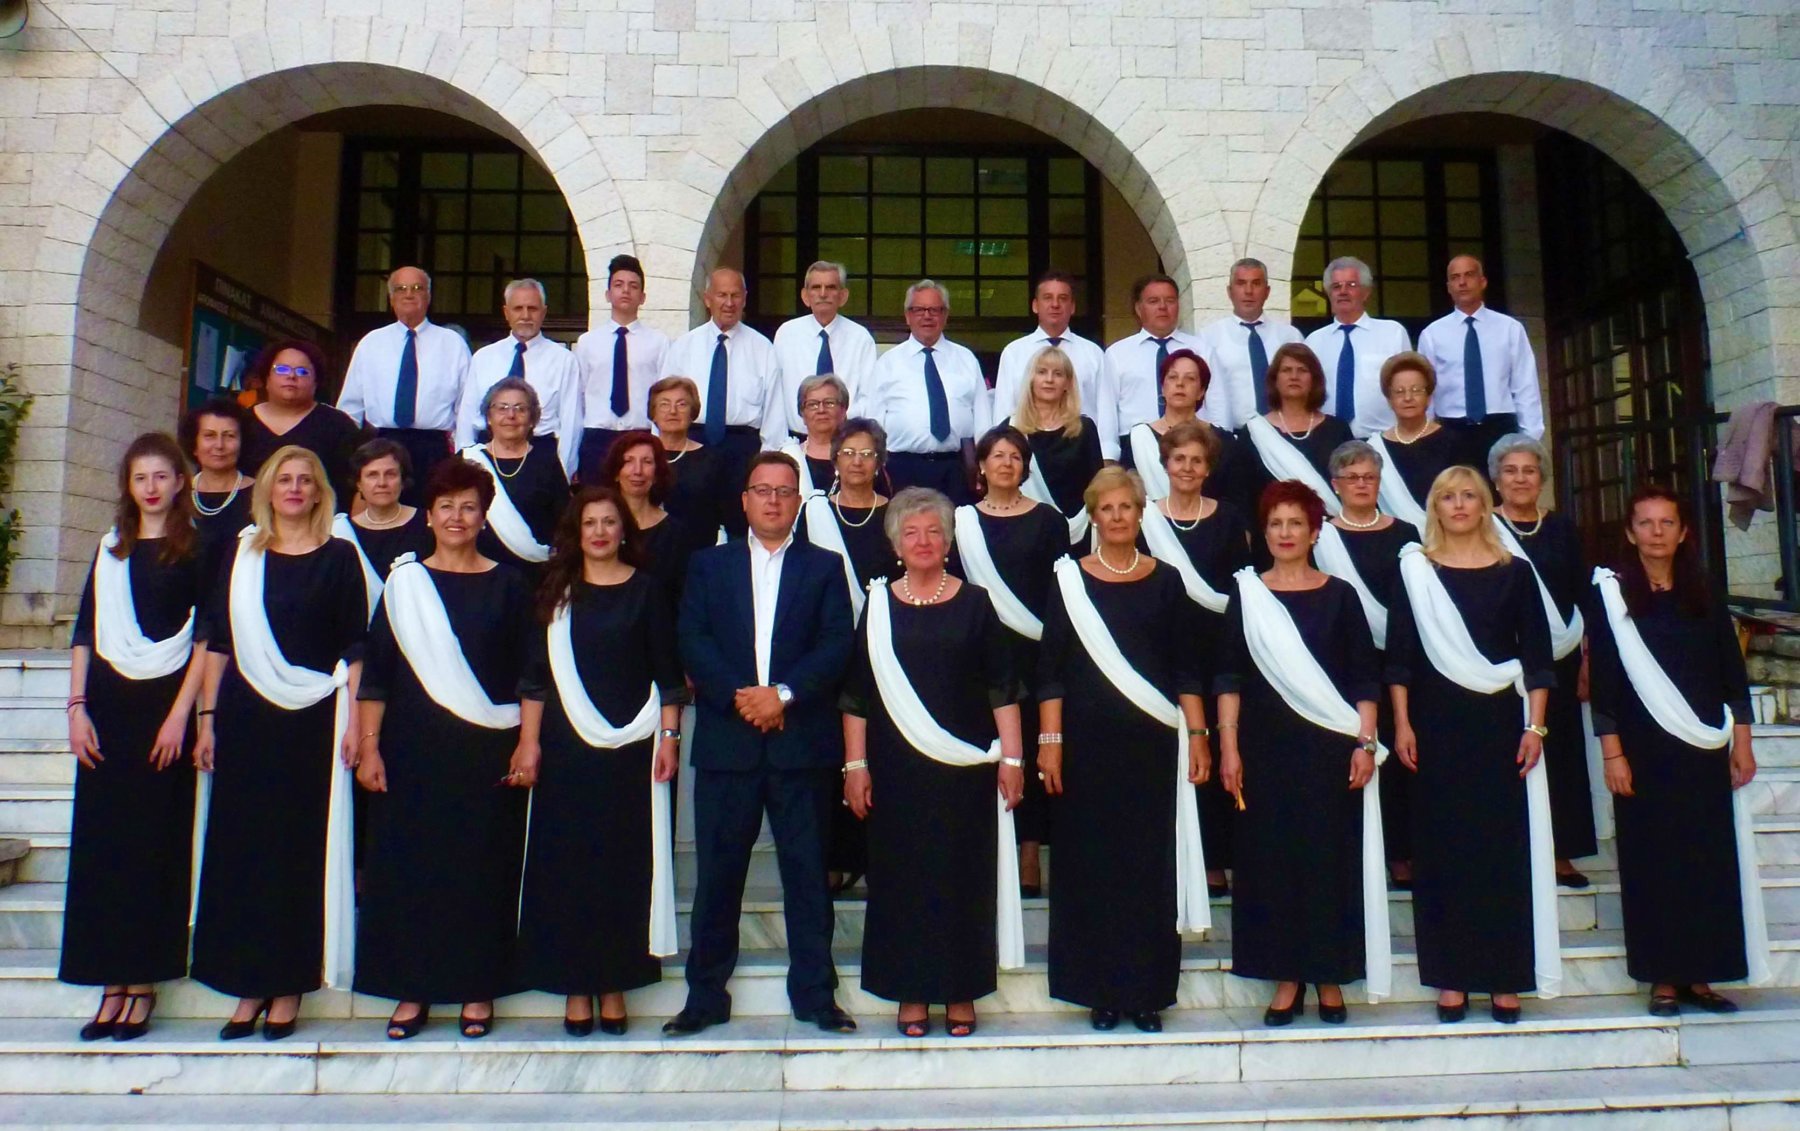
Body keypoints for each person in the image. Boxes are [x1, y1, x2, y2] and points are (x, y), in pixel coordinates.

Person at [666, 452, 858, 1036]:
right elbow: (692, 637)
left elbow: (836, 643)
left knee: (808, 876)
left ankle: (815, 996)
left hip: (801, 744)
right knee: (717, 878)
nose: (773, 500)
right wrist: (742, 699)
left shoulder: (824, 567)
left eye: (784, 491)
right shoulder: (709, 565)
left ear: (798, 501)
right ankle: (704, 997)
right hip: (729, 744)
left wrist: (784, 695)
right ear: (745, 500)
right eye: (762, 490)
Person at [353, 458, 535, 1041]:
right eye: (446, 507)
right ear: (429, 517)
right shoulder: (405, 585)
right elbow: (377, 674)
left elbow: (532, 676)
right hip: (413, 750)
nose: (458, 517)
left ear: (484, 517)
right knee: (413, 870)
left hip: (488, 751)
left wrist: (529, 744)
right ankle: (412, 989)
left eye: (469, 507)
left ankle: (478, 989)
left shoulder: (511, 584)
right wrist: (370, 747)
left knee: (480, 870)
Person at [191, 445, 367, 1042]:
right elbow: (219, 641)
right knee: (245, 851)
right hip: (246, 719)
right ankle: (247, 985)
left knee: (297, 851)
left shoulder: (340, 556)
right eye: (283, 479)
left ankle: (288, 986)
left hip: (312, 722)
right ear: (266, 490)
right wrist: (207, 719)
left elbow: (356, 645)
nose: (293, 488)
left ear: (319, 493)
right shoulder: (241, 554)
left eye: (304, 480)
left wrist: (355, 724)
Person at [842, 487, 1026, 1038]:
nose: (923, 541)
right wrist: (855, 766)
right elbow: (856, 695)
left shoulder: (976, 602)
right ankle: (912, 990)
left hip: (965, 768)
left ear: (948, 542)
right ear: (895, 544)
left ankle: (961, 990)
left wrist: (1013, 758)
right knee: (903, 880)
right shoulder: (878, 604)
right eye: (911, 532)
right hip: (896, 770)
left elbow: (1002, 687)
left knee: (963, 877)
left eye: (933, 532)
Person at [1039, 467, 1211, 1033]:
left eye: (1126, 507)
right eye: (1107, 508)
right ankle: (1099, 992)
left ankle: (1145, 993)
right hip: (1085, 747)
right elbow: (1051, 671)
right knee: (1090, 865)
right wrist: (1050, 742)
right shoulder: (1069, 579)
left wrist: (1199, 736)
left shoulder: (1166, 580)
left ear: (1141, 514)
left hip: (1153, 747)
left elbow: (1187, 667)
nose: (1117, 517)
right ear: (1093, 516)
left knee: (1147, 868)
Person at [1588, 485, 1768, 1017]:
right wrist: (1613, 753)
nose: (1657, 532)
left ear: (1683, 531)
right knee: (1653, 862)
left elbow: (1731, 673)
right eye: (1646, 523)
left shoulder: (1704, 593)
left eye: (1667, 522)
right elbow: (1605, 682)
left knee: (1706, 861)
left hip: (1703, 747)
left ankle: (1702, 975)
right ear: (1630, 533)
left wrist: (1742, 742)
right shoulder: (1613, 596)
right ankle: (1663, 977)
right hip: (1643, 752)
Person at [1387, 466, 1557, 1025]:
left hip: (1501, 727)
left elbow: (1537, 658)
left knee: (1501, 852)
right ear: (1434, 508)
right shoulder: (1416, 571)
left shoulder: (1516, 572)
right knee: (1443, 852)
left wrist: (1535, 728)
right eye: (1447, 497)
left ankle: (1506, 977)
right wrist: (1403, 725)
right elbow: (1400, 657)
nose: (1458, 505)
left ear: (1485, 505)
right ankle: (1452, 977)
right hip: (1435, 727)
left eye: (1468, 496)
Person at [514, 487, 685, 1036]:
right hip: (566, 751)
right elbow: (535, 680)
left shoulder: (647, 591)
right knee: (570, 867)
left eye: (610, 522)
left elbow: (668, 676)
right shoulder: (555, 592)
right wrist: (529, 743)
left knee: (622, 868)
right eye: (590, 523)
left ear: (623, 530)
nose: (600, 532)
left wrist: (669, 738)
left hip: (632, 753)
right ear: (576, 531)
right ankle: (575, 986)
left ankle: (615, 984)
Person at [1216, 479, 1385, 1026]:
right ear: (1263, 533)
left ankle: (1330, 976)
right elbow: (1228, 676)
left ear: (1315, 533)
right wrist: (1229, 747)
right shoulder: (1248, 594)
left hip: (1330, 750)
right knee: (1272, 862)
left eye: (1296, 524)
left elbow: (1364, 677)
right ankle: (1286, 978)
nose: (1285, 533)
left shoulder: (1341, 595)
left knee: (1328, 860)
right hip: (1264, 748)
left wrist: (1365, 743)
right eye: (1276, 524)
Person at [60, 434, 208, 1042]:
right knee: (105, 850)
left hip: (165, 712)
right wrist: (76, 708)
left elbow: (207, 639)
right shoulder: (110, 550)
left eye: (161, 476)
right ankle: (109, 982)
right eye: (140, 477)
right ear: (128, 485)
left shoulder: (198, 548)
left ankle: (143, 982)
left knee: (153, 847)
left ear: (180, 482)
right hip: (108, 713)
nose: (150, 487)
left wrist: (181, 716)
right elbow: (85, 632)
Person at [949, 425, 1069, 899]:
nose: (1006, 463)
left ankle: (1029, 850)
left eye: (1015, 457)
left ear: (1025, 467)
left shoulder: (1049, 521)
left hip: (1033, 652)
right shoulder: (960, 521)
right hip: (977, 651)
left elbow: (1060, 593)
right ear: (981, 465)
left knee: (1033, 747)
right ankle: (984, 848)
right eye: (997, 455)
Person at [1141, 419, 1252, 897]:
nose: (1187, 467)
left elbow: (1243, 588)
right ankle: (1172, 856)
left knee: (1219, 748)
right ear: (1165, 464)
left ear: (1209, 469)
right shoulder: (1143, 518)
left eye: (1197, 460)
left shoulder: (1229, 519)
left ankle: (1215, 858)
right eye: (1179, 459)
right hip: (1158, 651)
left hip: (1217, 649)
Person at [1490, 434, 1599, 884]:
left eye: (1529, 471)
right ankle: (1510, 850)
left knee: (1562, 754)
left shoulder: (1562, 529)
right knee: (1506, 754)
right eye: (1511, 471)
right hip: (1501, 660)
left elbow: (1584, 595)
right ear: (1496, 479)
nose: (1520, 479)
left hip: (1562, 659)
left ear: (1542, 479)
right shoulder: (1481, 527)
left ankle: (1560, 852)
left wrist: (1589, 657)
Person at [1317, 441, 1422, 888]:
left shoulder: (1406, 534)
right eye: (1352, 478)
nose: (1361, 485)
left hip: (1398, 657)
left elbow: (1419, 600)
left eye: (1369, 477)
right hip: (1337, 662)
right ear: (1335, 485)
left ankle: (1400, 853)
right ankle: (1349, 852)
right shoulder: (1320, 536)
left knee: (1398, 756)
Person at [797, 418, 895, 894]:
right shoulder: (812, 513)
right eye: (849, 453)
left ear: (880, 462)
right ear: (834, 459)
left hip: (886, 651)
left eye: (867, 454)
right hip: (826, 650)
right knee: (832, 754)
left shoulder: (898, 514)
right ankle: (833, 857)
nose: (858, 462)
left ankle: (875, 856)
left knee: (880, 752)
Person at [660, 267, 785, 534]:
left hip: (742, 450)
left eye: (735, 295)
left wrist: (767, 466)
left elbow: (774, 413)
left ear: (745, 298)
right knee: (686, 529)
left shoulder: (762, 348)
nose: (729, 303)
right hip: (692, 445)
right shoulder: (683, 347)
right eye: (721, 295)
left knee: (741, 530)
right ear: (707, 299)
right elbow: (663, 403)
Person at [336, 266, 472, 504]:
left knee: (431, 512)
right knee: (382, 513)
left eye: (417, 288)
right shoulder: (371, 343)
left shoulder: (452, 344)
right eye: (401, 289)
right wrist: (346, 454)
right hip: (381, 445)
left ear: (428, 296)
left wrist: (463, 456)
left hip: (432, 448)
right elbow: (351, 406)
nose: (409, 294)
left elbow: (466, 406)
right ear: (391, 298)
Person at [861, 279, 990, 505]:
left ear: (945, 315)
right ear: (907, 316)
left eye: (934, 310)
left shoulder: (966, 359)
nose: (927, 316)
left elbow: (982, 420)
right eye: (919, 310)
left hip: (957, 469)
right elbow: (874, 422)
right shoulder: (888, 363)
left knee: (957, 526)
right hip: (902, 468)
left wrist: (985, 465)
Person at [1418, 256, 1544, 467]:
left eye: (1469, 275)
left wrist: (1530, 437)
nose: (1462, 282)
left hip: (1500, 426)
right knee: (1456, 487)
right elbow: (1427, 391)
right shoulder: (1432, 334)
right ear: (1448, 287)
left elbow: (1525, 384)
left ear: (1483, 281)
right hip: (1451, 428)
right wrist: (1427, 437)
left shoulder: (1510, 329)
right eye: (1455, 277)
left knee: (1502, 487)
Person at [456, 279, 584, 478]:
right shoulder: (483, 357)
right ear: (506, 312)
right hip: (488, 455)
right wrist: (465, 466)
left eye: (532, 308)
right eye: (518, 308)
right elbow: (467, 418)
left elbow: (571, 424)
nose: (525, 316)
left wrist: (561, 474)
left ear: (543, 312)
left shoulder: (563, 360)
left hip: (541, 454)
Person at [994, 271, 1118, 459]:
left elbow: (1105, 409)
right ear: (1035, 305)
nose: (1055, 304)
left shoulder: (1093, 353)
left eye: (1063, 298)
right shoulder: (1014, 352)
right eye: (1047, 298)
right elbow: (1004, 410)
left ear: (1073, 307)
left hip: (1080, 450)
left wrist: (1108, 456)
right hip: (1028, 453)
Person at [461, 377, 570, 584]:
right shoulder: (467, 461)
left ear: (532, 419)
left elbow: (565, 520)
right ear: (489, 417)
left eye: (520, 409)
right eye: (502, 408)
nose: (511, 415)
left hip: (534, 575)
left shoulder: (547, 462)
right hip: (478, 573)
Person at [574, 254, 669, 485]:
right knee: (597, 500)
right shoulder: (587, 342)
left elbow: (662, 398)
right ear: (608, 294)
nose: (626, 291)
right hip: (597, 438)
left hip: (639, 435)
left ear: (642, 297)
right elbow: (578, 399)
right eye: (618, 285)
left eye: (633, 286)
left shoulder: (658, 342)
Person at [1239, 343, 1354, 528]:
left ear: (1314, 379)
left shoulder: (1338, 430)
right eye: (1286, 370)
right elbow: (1245, 496)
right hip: (1274, 535)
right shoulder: (1253, 433)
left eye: (1302, 370)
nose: (1294, 376)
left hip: (1332, 534)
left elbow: (1351, 484)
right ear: (1275, 379)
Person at [238, 340, 361, 508]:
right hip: (247, 520)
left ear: (316, 382)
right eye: (282, 369)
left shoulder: (338, 425)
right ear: (266, 378)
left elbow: (354, 486)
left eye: (302, 372)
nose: (291, 376)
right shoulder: (241, 422)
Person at [1303, 256, 1413, 439]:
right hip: (1327, 439)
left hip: (1382, 438)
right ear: (1329, 294)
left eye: (1351, 285)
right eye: (1336, 286)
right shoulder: (1314, 341)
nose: (1343, 291)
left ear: (1366, 292)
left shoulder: (1393, 333)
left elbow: (1411, 384)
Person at [1008, 345, 1104, 550]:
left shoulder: (1085, 429)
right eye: (1042, 372)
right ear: (1031, 379)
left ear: (1068, 383)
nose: (1049, 379)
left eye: (1058, 374)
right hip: (1029, 533)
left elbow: (1098, 485)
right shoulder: (1012, 430)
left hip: (1081, 531)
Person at [1195, 258, 1304, 431]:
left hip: (1286, 432)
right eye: (1241, 283)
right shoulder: (1208, 338)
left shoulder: (1290, 336)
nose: (1248, 291)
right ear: (1229, 291)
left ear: (1267, 291)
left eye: (1256, 283)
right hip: (1235, 435)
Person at [601, 429, 707, 606]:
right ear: (616, 472)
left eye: (647, 462)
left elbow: (683, 595)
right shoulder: (598, 526)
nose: (638, 471)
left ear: (657, 473)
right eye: (628, 461)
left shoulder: (675, 534)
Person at [771, 262, 878, 432]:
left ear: (843, 296)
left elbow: (870, 397)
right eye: (816, 287)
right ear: (805, 296)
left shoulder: (860, 338)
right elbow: (774, 395)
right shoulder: (786, 334)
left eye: (830, 287)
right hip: (798, 438)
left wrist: (837, 417)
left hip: (845, 436)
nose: (823, 294)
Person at [1103, 273, 1205, 450]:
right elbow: (1107, 411)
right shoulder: (1117, 353)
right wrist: (1109, 454)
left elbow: (1216, 404)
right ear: (1138, 308)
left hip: (1193, 443)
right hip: (1134, 444)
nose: (1162, 307)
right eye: (1153, 301)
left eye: (1170, 300)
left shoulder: (1201, 349)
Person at [1366, 353, 1461, 529]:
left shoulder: (1455, 443)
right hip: (1395, 537)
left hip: (1449, 535)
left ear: (1429, 398)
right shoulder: (1374, 449)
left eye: (1416, 390)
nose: (1408, 397)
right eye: (1399, 392)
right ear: (1389, 400)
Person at [180, 398, 255, 583]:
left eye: (229, 436)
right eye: (209, 436)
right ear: (194, 444)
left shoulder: (261, 494)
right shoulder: (178, 494)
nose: (219, 445)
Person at [339, 439, 434, 583]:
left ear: (403, 481)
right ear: (358, 484)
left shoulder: (428, 523)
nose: (382, 483)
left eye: (390, 474)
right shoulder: (342, 532)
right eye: (372, 475)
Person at [648, 375, 725, 542]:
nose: (673, 411)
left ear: (693, 413)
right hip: (645, 547)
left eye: (681, 404)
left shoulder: (713, 460)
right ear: (653, 413)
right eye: (664, 404)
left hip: (698, 548)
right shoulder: (640, 457)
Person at [782, 373, 851, 497]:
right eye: (812, 404)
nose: (821, 410)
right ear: (802, 414)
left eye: (829, 403)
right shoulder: (788, 458)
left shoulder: (859, 458)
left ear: (844, 410)